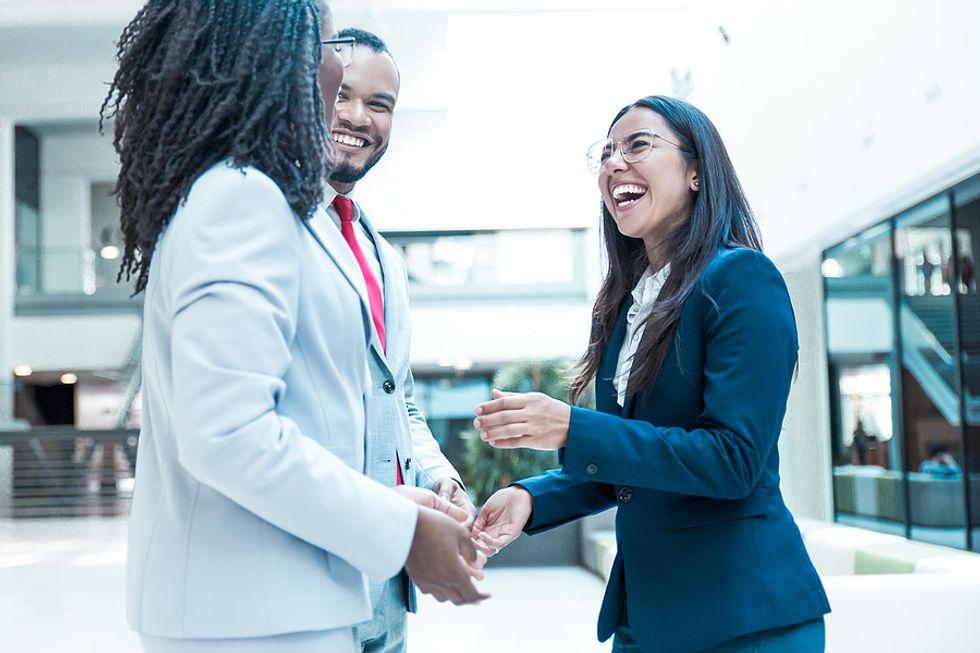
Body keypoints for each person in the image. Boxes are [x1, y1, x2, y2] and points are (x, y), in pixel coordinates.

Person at [101, 2, 487, 651]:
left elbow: (365, 399)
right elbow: (228, 432)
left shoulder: (256, 197)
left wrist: (414, 494)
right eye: (328, 44)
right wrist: (403, 531)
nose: (339, 64)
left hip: (286, 603)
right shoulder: (242, 196)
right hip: (254, 615)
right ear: (276, 55)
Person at [471, 95, 830, 653]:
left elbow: (732, 461)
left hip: (744, 620)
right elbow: (635, 463)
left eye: (638, 145)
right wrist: (533, 498)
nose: (614, 164)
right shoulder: (628, 305)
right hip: (647, 620)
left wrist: (572, 429)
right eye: (607, 153)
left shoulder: (741, 278)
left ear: (695, 171)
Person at [322, 28, 476, 653]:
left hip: (388, 594)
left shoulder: (383, 255)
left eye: (379, 104)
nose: (359, 117)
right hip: (314, 577)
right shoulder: (271, 229)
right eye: (343, 96)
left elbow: (399, 397)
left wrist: (443, 482)